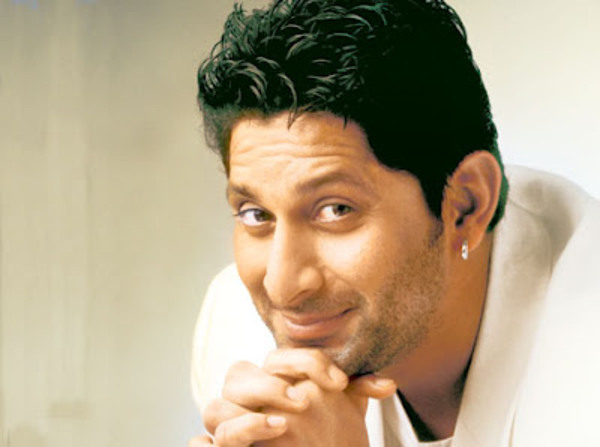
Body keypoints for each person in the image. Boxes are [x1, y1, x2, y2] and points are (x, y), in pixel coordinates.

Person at [189, 0, 600, 445]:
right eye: (256, 215)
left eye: (336, 210)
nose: (283, 287)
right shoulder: (234, 330)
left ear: (466, 206)